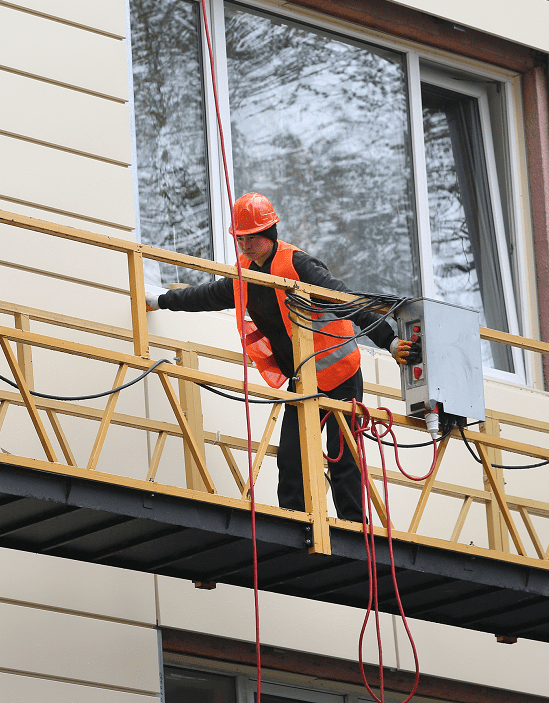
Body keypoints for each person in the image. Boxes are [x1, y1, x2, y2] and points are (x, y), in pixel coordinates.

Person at [146, 193, 418, 522]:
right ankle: (296, 524)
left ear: (270, 233)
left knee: (342, 456)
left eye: (252, 238)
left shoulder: (298, 265)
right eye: (240, 238)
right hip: (304, 380)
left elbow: (346, 300)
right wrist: (160, 300)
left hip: (342, 375)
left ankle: (354, 529)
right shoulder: (246, 272)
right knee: (291, 457)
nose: (245, 245)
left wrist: (388, 342)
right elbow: (207, 295)